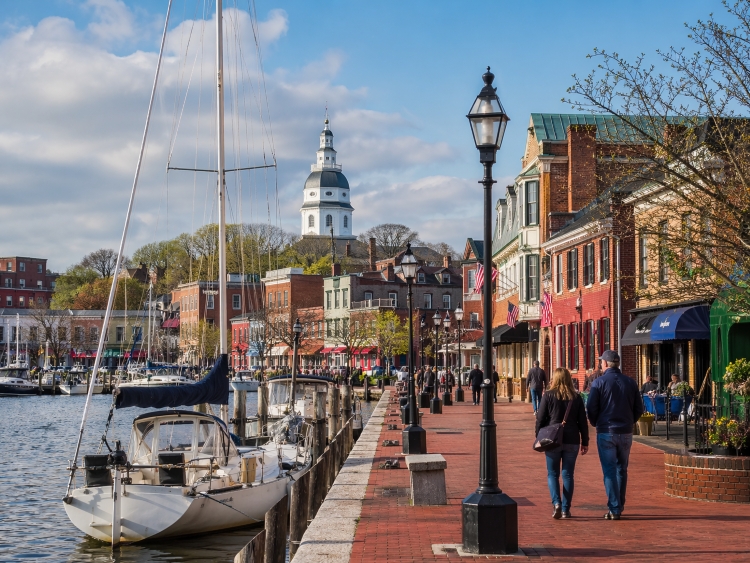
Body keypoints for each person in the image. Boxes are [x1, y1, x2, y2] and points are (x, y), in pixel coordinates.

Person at [587, 350, 644, 520]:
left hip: (606, 431)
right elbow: (639, 408)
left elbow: (591, 408)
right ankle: (619, 504)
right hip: (625, 432)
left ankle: (614, 507)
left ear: (605, 363)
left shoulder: (599, 383)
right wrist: (629, 422)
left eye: (601, 362)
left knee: (610, 470)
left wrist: (596, 422)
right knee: (622, 469)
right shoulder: (630, 382)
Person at [536, 367, 589, 519]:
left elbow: (540, 419)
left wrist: (538, 437)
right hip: (572, 439)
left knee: (552, 474)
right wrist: (585, 441)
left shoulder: (548, 396)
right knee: (568, 475)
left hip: (552, 439)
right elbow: (582, 422)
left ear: (555, 378)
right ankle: (566, 509)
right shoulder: (576, 397)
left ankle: (556, 503)